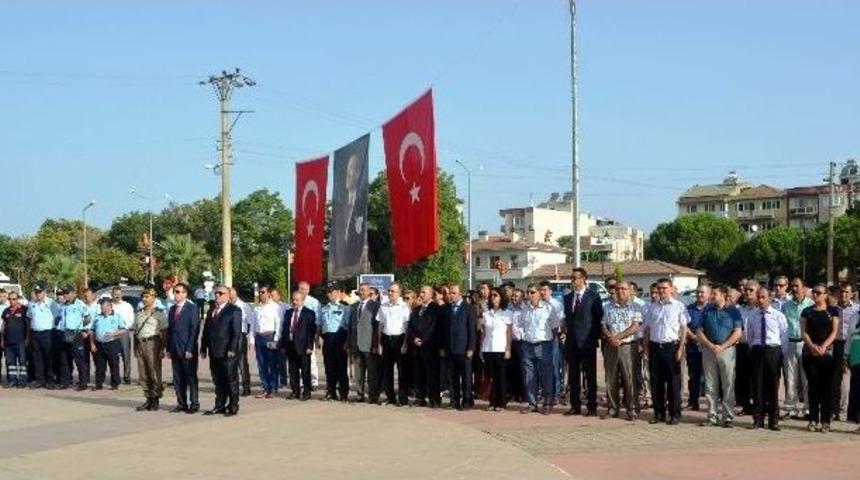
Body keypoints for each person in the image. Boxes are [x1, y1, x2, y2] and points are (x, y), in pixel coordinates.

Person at [643, 278, 689, 425]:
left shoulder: (679, 306)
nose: (661, 291)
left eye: (664, 288)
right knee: (656, 382)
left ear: (671, 289)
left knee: (673, 382)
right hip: (656, 346)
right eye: (659, 288)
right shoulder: (652, 307)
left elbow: (683, 329)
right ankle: (658, 413)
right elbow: (647, 328)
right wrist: (645, 347)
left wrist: (681, 348)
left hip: (672, 347)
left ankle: (675, 413)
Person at [696, 285, 743, 428]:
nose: (712, 296)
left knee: (728, 384)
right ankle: (712, 416)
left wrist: (723, 346)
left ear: (723, 295)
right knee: (710, 385)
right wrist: (710, 345)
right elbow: (699, 331)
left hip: (727, 350)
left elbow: (738, 332)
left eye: (715, 294)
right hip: (709, 350)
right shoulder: (706, 310)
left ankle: (727, 416)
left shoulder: (733, 311)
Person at [562, 268, 604, 417]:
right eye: (571, 278)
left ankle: (592, 406)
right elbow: (568, 319)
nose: (572, 281)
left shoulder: (593, 296)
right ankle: (575, 406)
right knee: (573, 376)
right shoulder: (567, 298)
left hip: (587, 342)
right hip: (572, 343)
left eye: (575, 278)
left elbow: (599, 318)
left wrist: (595, 338)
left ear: (584, 279)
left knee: (590, 376)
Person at [800, 284, 840, 432]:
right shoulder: (807, 311)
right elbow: (803, 331)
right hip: (810, 353)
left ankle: (825, 421)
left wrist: (824, 346)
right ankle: (813, 419)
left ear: (825, 295)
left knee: (826, 388)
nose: (815, 295)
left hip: (827, 354)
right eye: (814, 292)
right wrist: (812, 346)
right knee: (813, 386)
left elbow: (835, 331)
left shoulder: (832, 311)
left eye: (819, 292)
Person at [747, 287, 788, 431]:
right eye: (758, 297)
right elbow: (750, 336)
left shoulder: (778, 316)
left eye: (763, 297)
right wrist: (755, 349)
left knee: (772, 386)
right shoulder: (752, 315)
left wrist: (780, 354)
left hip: (773, 350)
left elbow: (784, 337)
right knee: (757, 386)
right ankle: (758, 419)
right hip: (758, 350)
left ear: (770, 298)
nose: (760, 300)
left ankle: (773, 420)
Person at [601, 281, 641, 421]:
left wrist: (617, 337)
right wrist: (609, 337)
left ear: (630, 291)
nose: (620, 292)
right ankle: (612, 408)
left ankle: (632, 409)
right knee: (610, 378)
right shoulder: (607, 307)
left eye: (623, 289)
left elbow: (635, 327)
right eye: (617, 289)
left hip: (627, 346)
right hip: (610, 346)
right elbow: (603, 325)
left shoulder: (636, 307)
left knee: (629, 378)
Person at [201, 285, 242, 416]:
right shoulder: (211, 310)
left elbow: (236, 332)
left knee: (230, 380)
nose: (217, 295)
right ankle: (219, 405)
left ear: (228, 296)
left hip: (227, 352)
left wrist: (232, 348)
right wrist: (203, 347)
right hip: (214, 350)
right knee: (218, 380)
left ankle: (233, 406)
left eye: (221, 293)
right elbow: (206, 331)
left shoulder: (234, 310)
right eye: (216, 293)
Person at [519, 284, 559, 414]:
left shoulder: (548, 308)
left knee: (546, 375)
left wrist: (548, 341)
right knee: (529, 375)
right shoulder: (525, 309)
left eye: (532, 292)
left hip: (544, 344)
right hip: (528, 344)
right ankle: (532, 403)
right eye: (528, 292)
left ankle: (548, 402)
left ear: (538, 294)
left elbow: (555, 327)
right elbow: (521, 326)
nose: (529, 295)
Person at [166, 282, 201, 413]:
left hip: (187, 349)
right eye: (174, 291)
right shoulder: (172, 309)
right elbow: (170, 330)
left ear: (185, 294)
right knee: (177, 378)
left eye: (178, 292)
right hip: (175, 348)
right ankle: (181, 403)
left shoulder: (192, 308)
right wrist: (168, 348)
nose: (175, 294)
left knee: (190, 377)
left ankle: (194, 404)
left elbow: (194, 330)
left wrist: (189, 349)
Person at [781, 278, 813, 419]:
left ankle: (808, 409)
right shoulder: (786, 306)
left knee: (806, 378)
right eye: (792, 286)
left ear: (804, 288)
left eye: (797, 286)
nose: (794, 289)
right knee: (790, 377)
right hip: (790, 343)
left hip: (805, 343)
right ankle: (791, 408)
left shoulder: (810, 304)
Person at [277, 290, 317, 400]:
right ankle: (295, 391)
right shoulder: (288, 313)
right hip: (290, 345)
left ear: (303, 301)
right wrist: (283, 345)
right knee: (292, 370)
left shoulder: (309, 313)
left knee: (305, 370)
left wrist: (309, 346)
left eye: (297, 300)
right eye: (293, 300)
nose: (294, 302)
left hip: (303, 347)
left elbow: (311, 331)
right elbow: (285, 329)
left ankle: (307, 392)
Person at [133, 287, 167, 412]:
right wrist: (135, 348)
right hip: (141, 343)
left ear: (153, 298)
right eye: (143, 297)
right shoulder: (139, 313)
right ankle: (148, 398)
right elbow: (136, 331)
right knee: (143, 373)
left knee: (154, 371)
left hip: (153, 343)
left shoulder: (159, 313)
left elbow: (164, 332)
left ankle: (155, 399)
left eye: (147, 297)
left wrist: (162, 349)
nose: (144, 299)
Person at [377, 282, 411, 406]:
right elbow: (380, 326)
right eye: (389, 291)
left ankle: (402, 398)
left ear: (399, 293)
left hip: (400, 339)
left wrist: (405, 343)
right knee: (387, 370)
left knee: (402, 371)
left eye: (393, 291)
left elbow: (407, 327)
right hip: (386, 339)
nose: (390, 293)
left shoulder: (405, 307)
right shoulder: (383, 306)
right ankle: (390, 397)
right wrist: (379, 344)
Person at [409, 285, 442, 408]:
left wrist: (424, 340)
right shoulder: (416, 310)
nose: (421, 294)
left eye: (424, 292)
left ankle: (434, 399)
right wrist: (414, 338)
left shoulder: (436, 309)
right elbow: (411, 326)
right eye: (420, 292)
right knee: (419, 374)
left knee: (432, 375)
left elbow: (434, 327)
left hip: (430, 347)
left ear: (430, 294)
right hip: (417, 347)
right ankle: (420, 397)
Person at [480, 287, 512, 411]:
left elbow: (509, 332)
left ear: (501, 297)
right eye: (492, 295)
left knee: (501, 376)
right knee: (491, 376)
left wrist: (508, 348)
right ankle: (492, 401)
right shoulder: (486, 314)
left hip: (501, 347)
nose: (493, 297)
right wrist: (481, 349)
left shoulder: (507, 313)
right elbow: (483, 332)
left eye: (496, 295)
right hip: (488, 347)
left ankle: (501, 402)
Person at [317, 284, 350, 402]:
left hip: (340, 339)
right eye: (327, 292)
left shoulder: (344, 308)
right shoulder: (324, 308)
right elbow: (320, 325)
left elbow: (348, 327)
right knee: (329, 368)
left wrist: (347, 342)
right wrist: (317, 338)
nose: (328, 294)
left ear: (337, 292)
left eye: (331, 292)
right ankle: (331, 392)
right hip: (328, 339)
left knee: (341, 368)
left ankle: (344, 394)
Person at [349, 283, 381, 403]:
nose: (361, 292)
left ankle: (373, 396)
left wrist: (375, 344)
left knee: (372, 372)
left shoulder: (375, 306)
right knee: (358, 371)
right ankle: (360, 394)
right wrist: (348, 342)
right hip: (355, 343)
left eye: (363, 290)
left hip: (369, 344)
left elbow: (377, 327)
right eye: (360, 290)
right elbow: (350, 326)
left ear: (369, 292)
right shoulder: (354, 306)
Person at [56, 287, 91, 391]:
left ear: (73, 293)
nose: (65, 295)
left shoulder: (80, 304)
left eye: (67, 293)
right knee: (65, 359)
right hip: (65, 333)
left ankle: (83, 383)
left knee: (79, 359)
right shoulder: (63, 305)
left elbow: (88, 318)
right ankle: (65, 382)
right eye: (64, 293)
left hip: (75, 333)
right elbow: (59, 319)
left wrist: (85, 330)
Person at [90, 298, 127, 390]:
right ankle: (99, 384)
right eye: (101, 307)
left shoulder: (117, 316)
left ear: (110, 306)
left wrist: (114, 333)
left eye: (103, 307)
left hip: (112, 343)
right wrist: (92, 344)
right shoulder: (97, 317)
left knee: (114, 364)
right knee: (99, 365)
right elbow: (92, 331)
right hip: (99, 344)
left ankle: (115, 384)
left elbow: (124, 330)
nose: (102, 309)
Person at [539, 280, 566, 407]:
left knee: (554, 366)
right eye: (541, 290)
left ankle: (555, 394)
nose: (542, 293)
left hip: (553, 338)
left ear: (550, 291)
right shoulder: (537, 304)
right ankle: (545, 393)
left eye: (545, 290)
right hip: (540, 339)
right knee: (541, 368)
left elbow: (561, 321)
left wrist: (555, 333)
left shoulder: (556, 304)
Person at [834, 283, 858, 420]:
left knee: (852, 380)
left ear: (851, 294)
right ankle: (837, 410)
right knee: (837, 379)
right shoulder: (833, 309)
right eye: (841, 291)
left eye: (846, 292)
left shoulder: (857, 309)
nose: (843, 294)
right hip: (837, 344)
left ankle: (849, 411)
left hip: (853, 345)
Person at [735, 280, 759, 416]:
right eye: (746, 290)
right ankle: (745, 405)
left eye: (751, 290)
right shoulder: (740, 310)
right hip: (742, 346)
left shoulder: (760, 310)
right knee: (743, 378)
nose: (747, 292)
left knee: (756, 377)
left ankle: (758, 405)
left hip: (757, 347)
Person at [685, 284, 710, 411]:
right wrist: (694, 337)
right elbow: (684, 325)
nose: (700, 295)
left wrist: (705, 340)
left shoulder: (712, 309)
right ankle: (693, 402)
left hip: (709, 348)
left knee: (710, 378)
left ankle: (712, 405)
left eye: (702, 292)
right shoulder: (689, 308)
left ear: (709, 294)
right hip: (693, 348)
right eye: (698, 292)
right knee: (693, 377)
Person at [254, 285, 282, 398]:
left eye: (263, 292)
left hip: (270, 336)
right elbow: (254, 324)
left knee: (272, 364)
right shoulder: (257, 308)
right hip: (259, 337)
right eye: (260, 292)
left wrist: (276, 340)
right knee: (261, 364)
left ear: (269, 294)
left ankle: (273, 388)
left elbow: (279, 324)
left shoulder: (275, 307)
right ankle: (265, 388)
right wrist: (252, 339)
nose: (260, 294)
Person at [26, 284, 56, 389]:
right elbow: (29, 319)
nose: (38, 294)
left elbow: (57, 318)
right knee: (37, 358)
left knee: (49, 357)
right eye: (36, 292)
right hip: (35, 333)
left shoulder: (51, 303)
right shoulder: (31, 304)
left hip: (48, 333)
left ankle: (50, 380)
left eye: (40, 291)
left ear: (45, 292)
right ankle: (39, 380)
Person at [230, 288, 255, 397]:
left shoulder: (244, 306)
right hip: (229, 336)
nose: (229, 298)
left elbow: (251, 322)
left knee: (242, 363)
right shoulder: (227, 306)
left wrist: (251, 339)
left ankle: (246, 387)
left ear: (235, 295)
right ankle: (232, 387)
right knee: (230, 363)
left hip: (240, 335)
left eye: (231, 296)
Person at [2, 291, 29, 387]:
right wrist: (2, 340)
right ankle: (12, 380)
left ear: (18, 299)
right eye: (9, 299)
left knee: (22, 362)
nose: (11, 301)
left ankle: (22, 381)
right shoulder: (6, 311)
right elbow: (4, 326)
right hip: (8, 342)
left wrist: (27, 339)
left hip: (20, 341)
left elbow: (28, 326)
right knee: (10, 362)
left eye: (14, 299)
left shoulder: (24, 310)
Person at [298, 281, 321, 389]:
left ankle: (314, 381)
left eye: (303, 289)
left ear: (308, 290)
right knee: (299, 358)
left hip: (309, 334)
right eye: (299, 288)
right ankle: (303, 381)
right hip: (298, 335)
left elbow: (318, 320)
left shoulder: (314, 302)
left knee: (311, 358)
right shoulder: (295, 300)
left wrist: (316, 335)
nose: (301, 291)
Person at [110, 286, 135, 385]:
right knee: (113, 357)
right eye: (115, 294)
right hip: (113, 333)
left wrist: (126, 328)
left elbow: (131, 319)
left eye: (119, 294)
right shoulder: (109, 305)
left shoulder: (127, 306)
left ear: (121, 294)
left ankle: (127, 376)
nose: (117, 296)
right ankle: (115, 377)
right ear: (112, 295)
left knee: (126, 356)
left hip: (124, 332)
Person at [507, 288, 526, 403]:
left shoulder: (525, 309)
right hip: (510, 342)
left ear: (522, 298)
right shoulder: (508, 309)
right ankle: (514, 392)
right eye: (513, 296)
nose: (514, 298)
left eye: (517, 296)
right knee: (512, 369)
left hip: (522, 342)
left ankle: (523, 394)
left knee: (522, 369)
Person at [845, 317, 860, 432]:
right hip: (855, 357)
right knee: (856, 391)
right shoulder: (855, 317)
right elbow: (849, 339)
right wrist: (846, 356)